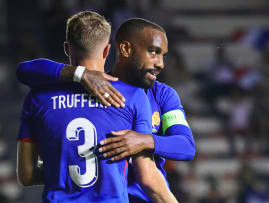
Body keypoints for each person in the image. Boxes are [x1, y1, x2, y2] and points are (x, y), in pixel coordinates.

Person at [17, 17, 196, 202]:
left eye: (162, 55)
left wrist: (144, 140)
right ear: (122, 49)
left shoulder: (163, 95)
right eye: (153, 52)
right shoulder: (125, 95)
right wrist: (81, 74)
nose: (160, 63)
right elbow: (24, 70)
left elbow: (186, 146)